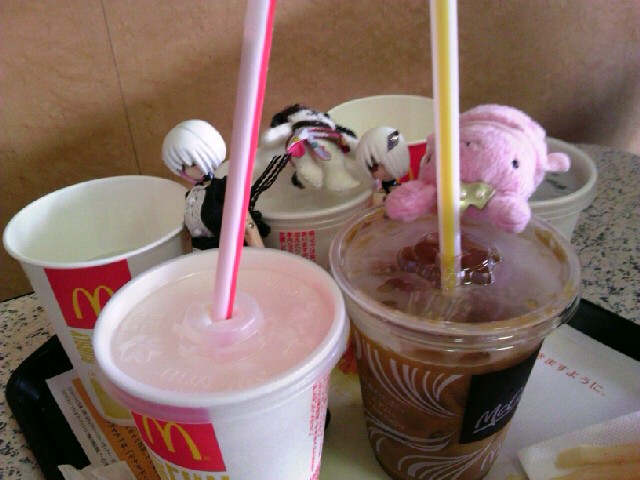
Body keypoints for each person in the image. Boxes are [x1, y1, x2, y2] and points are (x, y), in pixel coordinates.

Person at [162, 120, 264, 250]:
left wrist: (260, 254)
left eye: (192, 164)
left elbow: (246, 224)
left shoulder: (223, 188)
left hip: (230, 254)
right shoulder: (192, 195)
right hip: (202, 256)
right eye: (182, 166)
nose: (187, 170)